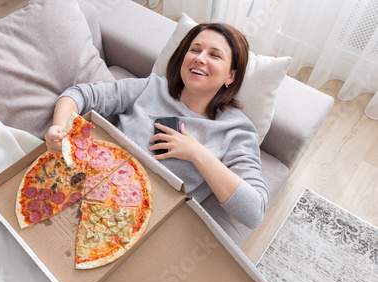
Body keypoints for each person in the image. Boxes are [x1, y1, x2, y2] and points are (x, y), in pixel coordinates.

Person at [45, 23, 268, 229]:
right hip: (82, 186)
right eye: (195, 50)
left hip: (136, 223)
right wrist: (59, 129)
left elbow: (254, 212)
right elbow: (81, 93)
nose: (200, 58)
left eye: (214, 55)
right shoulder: (151, 88)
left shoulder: (236, 130)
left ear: (230, 76)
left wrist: (197, 153)